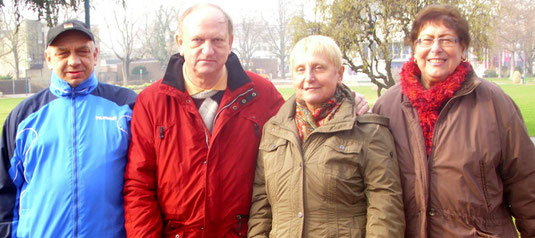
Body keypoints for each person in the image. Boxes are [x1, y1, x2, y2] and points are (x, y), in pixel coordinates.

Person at [123, 4, 370, 237]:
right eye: (197, 40)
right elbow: (139, 185)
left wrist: (346, 100)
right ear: (180, 43)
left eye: (217, 40)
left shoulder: (261, 94)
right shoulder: (153, 101)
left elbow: (307, 118)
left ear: (230, 42)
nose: (207, 50)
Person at [372, 5, 535, 237]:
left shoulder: (495, 104)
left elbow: (526, 183)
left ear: (463, 48)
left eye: (447, 40)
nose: (435, 49)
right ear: (414, 49)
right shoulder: (386, 106)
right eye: (426, 40)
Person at [247, 35, 405, 237]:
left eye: (319, 68)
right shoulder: (274, 131)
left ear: (339, 74)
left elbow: (385, 208)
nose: (309, 78)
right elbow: (262, 204)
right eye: (300, 70)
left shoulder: (369, 131)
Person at [0, 20, 137, 237]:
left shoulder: (127, 106)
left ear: (95, 54)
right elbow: (5, 189)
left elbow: (146, 182)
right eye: (63, 53)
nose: (74, 61)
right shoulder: (23, 116)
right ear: (48, 58)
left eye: (82, 51)